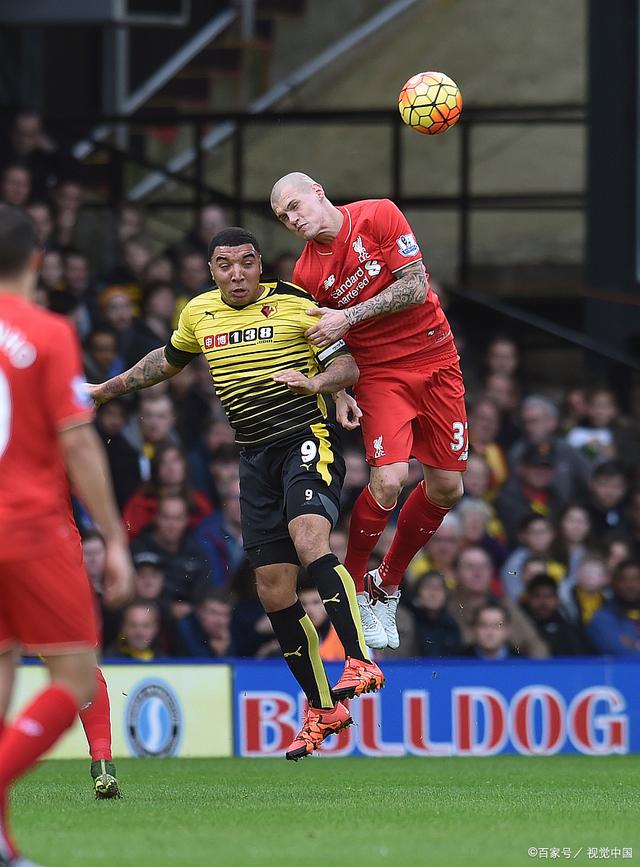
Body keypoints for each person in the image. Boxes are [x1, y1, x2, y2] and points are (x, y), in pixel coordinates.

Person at [88, 226, 383, 760]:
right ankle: (323, 707)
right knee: (272, 588)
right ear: (211, 270)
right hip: (254, 458)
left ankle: (360, 658)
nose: (237, 274)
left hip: (304, 437)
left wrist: (322, 386)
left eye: (246, 263)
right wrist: (106, 390)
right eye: (225, 265)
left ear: (259, 264)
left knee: (310, 536)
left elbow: (349, 363)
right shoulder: (199, 314)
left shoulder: (295, 303)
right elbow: (166, 362)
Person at [271, 172, 467, 651]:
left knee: (447, 487)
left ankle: (387, 582)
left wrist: (350, 315)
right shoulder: (305, 276)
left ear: (318, 189)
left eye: (296, 206)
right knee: (388, 479)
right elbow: (325, 341)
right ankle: (356, 586)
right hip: (378, 373)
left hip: (435, 357)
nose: (293, 220)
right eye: (283, 217)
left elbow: (416, 286)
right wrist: (339, 391)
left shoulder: (378, 214)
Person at [0, 205, 133, 864]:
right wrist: (114, 536)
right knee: (76, 673)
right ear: (37, 259)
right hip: (28, 526)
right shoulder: (48, 332)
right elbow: (79, 444)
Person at [587, 560, 640, 656]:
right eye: (624, 579)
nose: (630, 585)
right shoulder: (602, 619)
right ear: (613, 583)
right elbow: (622, 653)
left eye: (636, 579)